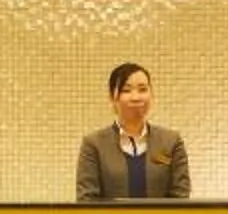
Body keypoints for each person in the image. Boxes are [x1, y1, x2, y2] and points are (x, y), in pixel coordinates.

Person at [76, 61, 191, 201]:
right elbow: (87, 200)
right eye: (126, 90)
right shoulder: (94, 144)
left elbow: (180, 199)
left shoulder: (171, 141)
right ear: (112, 97)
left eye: (142, 89)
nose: (136, 97)